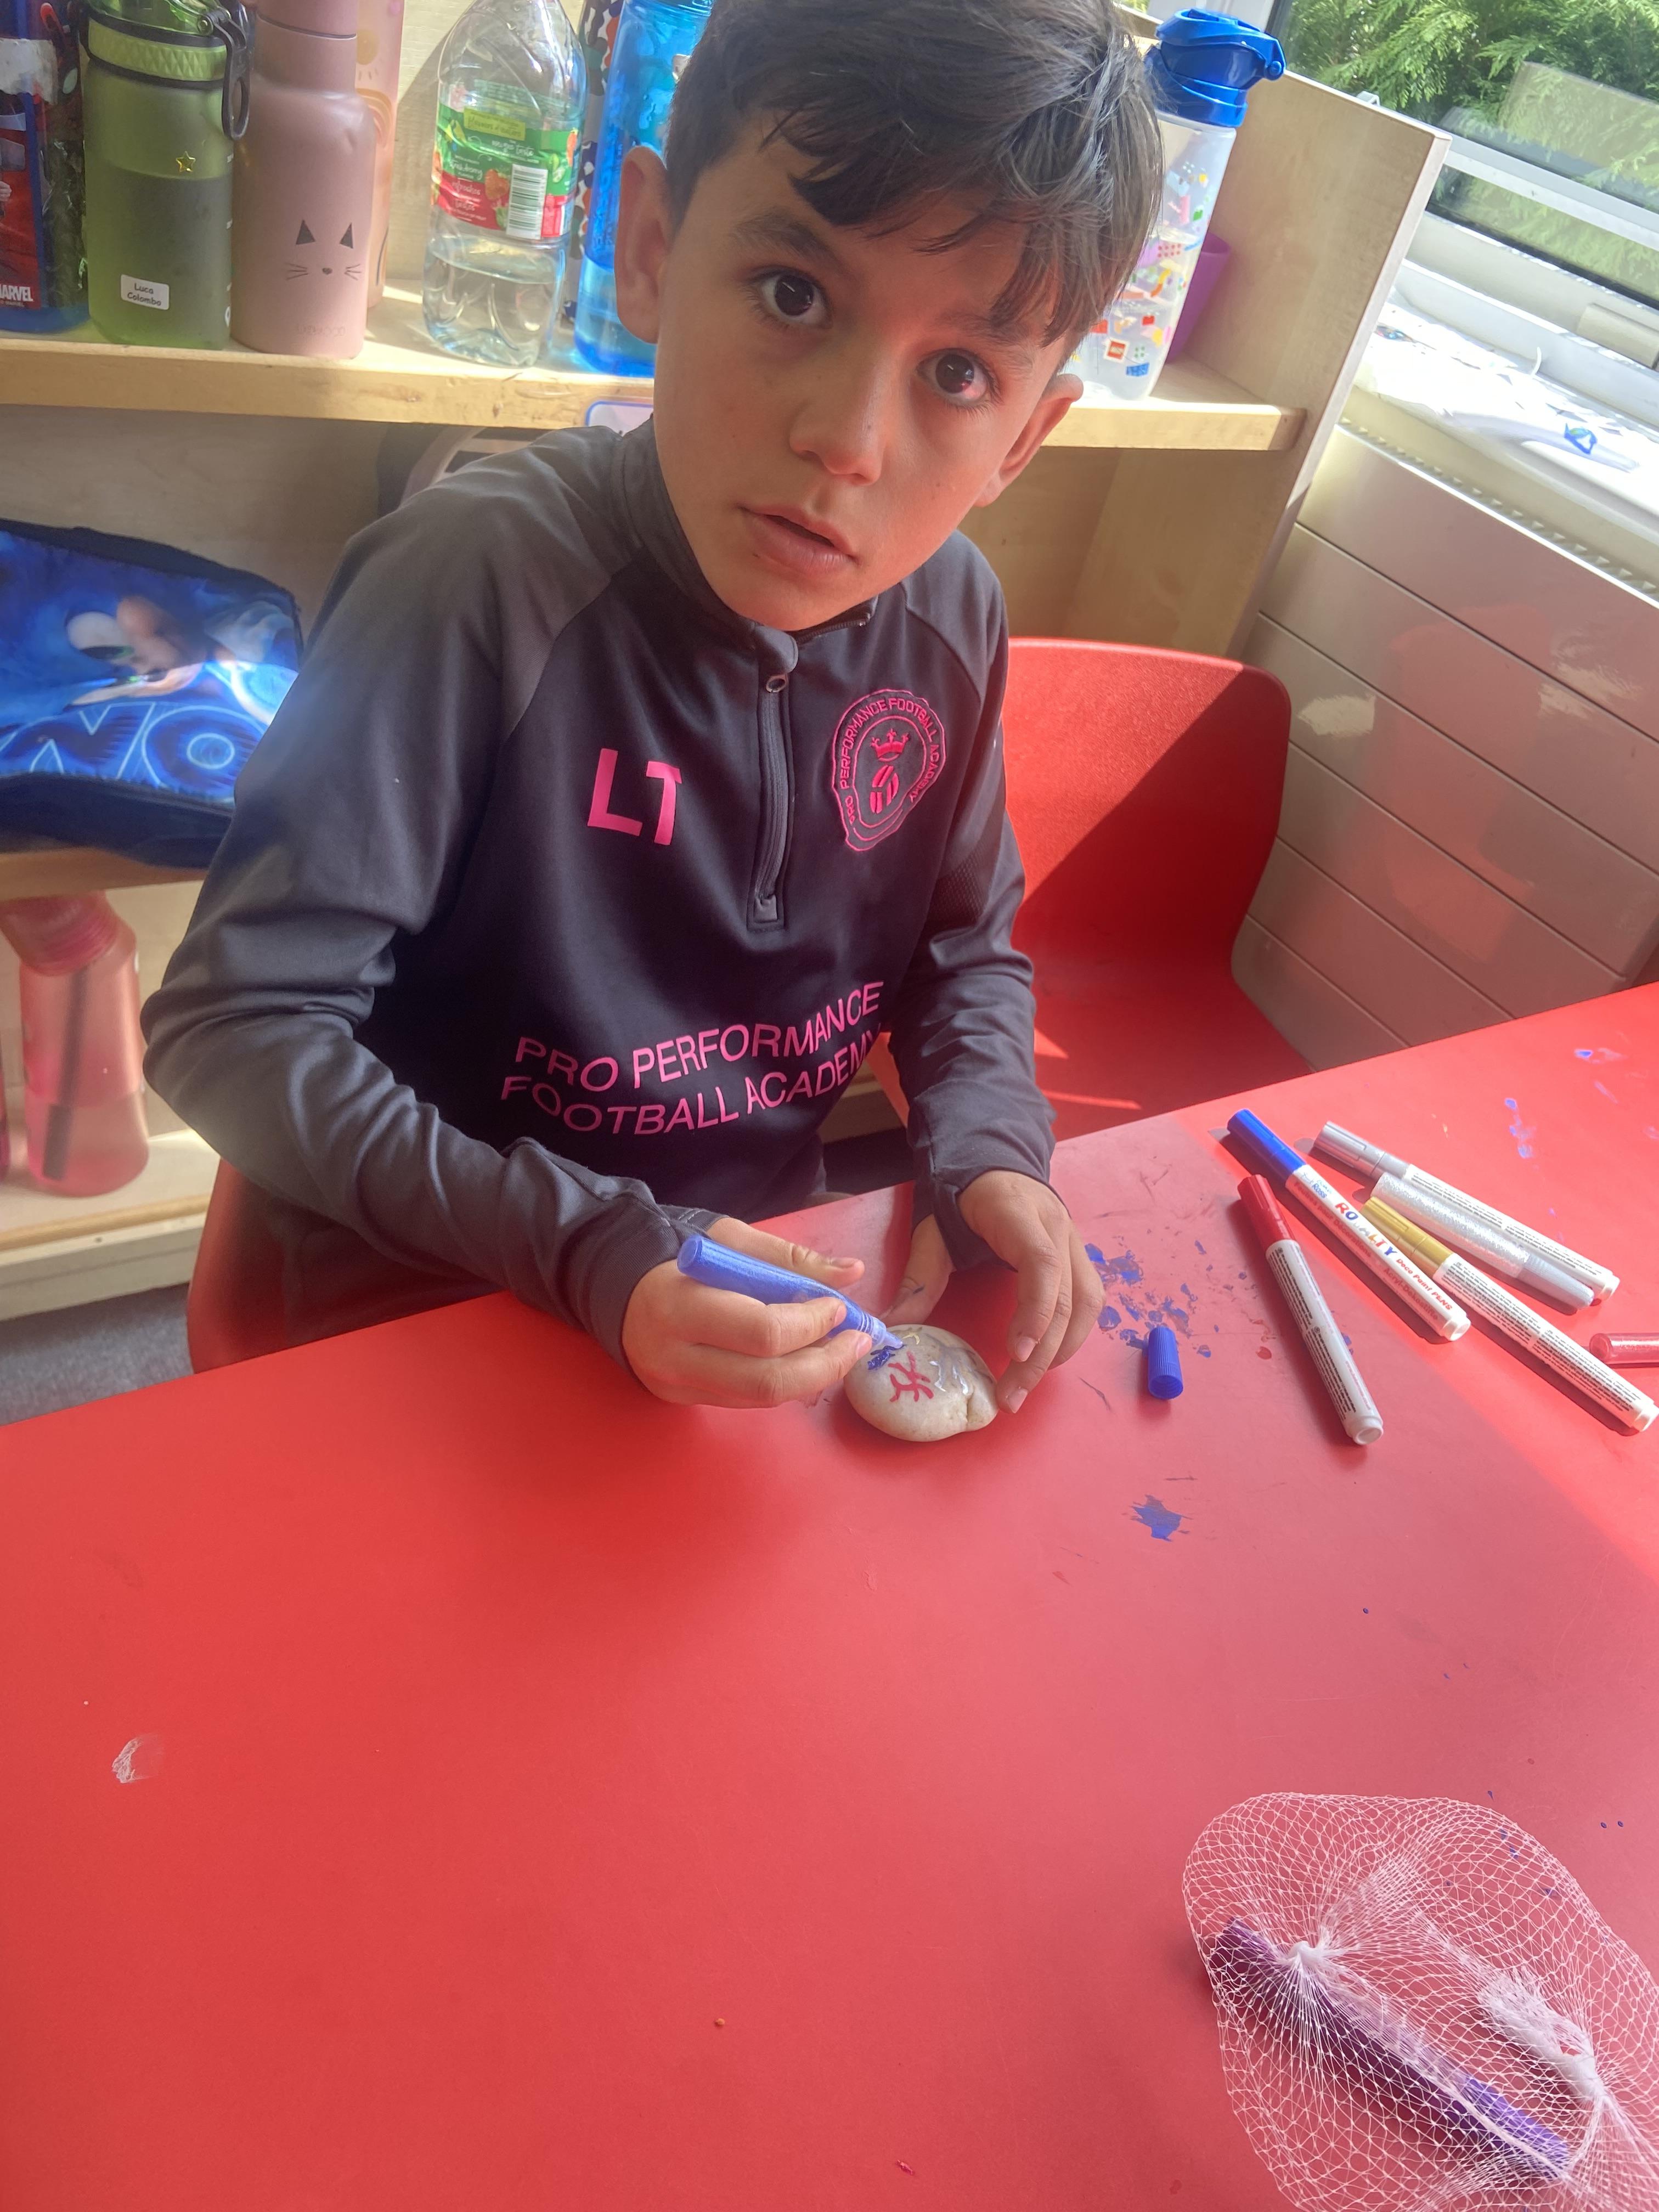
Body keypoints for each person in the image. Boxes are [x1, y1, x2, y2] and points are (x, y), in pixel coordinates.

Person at [143, 0, 1161, 1412]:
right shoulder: (469, 584)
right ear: (653, 250)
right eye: (793, 293)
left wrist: (993, 1143)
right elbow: (233, 1029)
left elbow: (961, 949)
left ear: (1027, 436)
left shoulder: (955, 619)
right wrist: (590, 1248)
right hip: (430, 1303)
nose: (847, 442)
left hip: (753, 1302)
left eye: (958, 374)